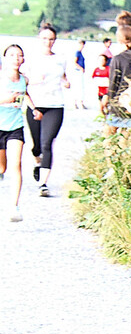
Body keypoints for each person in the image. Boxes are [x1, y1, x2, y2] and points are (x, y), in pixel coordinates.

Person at [20, 23, 70, 198]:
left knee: (47, 143)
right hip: (35, 104)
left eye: (51, 39)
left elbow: (63, 75)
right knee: (36, 146)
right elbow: (22, 81)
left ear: (55, 40)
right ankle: (37, 161)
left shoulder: (60, 59)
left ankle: (43, 184)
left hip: (55, 105)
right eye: (44, 39)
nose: (48, 42)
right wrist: (34, 80)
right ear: (39, 39)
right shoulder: (31, 59)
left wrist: (66, 82)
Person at [0, 44, 40, 222]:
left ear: (23, 59)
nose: (16, 58)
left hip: (15, 127)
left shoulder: (24, 79)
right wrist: (5, 99)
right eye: (12, 55)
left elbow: (25, 94)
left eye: (19, 55)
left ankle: (14, 207)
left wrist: (34, 109)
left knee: (16, 164)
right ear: (5, 58)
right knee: (2, 168)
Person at [102, 25, 131, 134]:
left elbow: (113, 82)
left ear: (119, 40)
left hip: (119, 104)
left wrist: (109, 100)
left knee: (108, 134)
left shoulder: (118, 59)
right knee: (127, 135)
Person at [72, 39, 86, 109]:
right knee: (79, 87)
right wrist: (81, 68)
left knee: (80, 87)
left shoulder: (80, 53)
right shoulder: (77, 52)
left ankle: (80, 102)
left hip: (80, 71)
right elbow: (75, 62)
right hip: (78, 71)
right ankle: (77, 103)